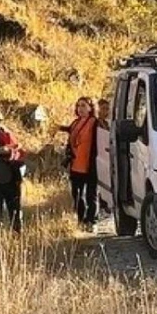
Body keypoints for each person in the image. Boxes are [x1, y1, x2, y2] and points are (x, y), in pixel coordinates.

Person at [56, 97, 98, 232]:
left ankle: (92, 221)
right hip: (76, 164)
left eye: (84, 106)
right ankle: (81, 220)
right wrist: (59, 128)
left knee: (91, 195)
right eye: (79, 106)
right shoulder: (76, 122)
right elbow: (72, 131)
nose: (80, 108)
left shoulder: (95, 123)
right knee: (77, 194)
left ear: (91, 108)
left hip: (91, 165)